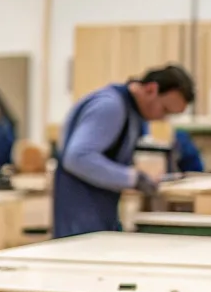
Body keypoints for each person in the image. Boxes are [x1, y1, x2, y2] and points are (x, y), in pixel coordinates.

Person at [52, 64, 194, 239]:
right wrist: (131, 178)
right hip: (81, 222)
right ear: (151, 90)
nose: (162, 118)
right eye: (164, 109)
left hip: (98, 217)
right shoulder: (110, 106)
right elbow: (77, 157)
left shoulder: (132, 113)